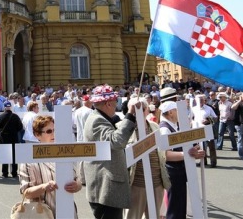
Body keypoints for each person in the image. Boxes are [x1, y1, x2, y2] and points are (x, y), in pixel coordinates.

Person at [83, 84, 137, 219]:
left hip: (107, 188)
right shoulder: (97, 120)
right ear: (107, 104)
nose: (116, 106)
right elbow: (117, 141)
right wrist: (130, 114)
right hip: (105, 189)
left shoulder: (99, 117)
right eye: (115, 103)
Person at [18, 115, 82, 218]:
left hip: (68, 211)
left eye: (55, 130)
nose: (54, 134)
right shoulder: (28, 160)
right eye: (49, 131)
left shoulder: (67, 153)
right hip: (42, 213)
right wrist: (44, 187)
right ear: (37, 135)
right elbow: (26, 192)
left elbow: (78, 181)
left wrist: (77, 185)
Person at [124, 98, 170, 219]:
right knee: (133, 216)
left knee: (154, 216)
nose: (138, 112)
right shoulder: (123, 128)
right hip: (136, 183)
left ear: (147, 111)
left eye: (142, 109)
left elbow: (163, 151)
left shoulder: (154, 126)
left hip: (157, 182)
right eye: (134, 109)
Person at [158, 100, 205, 219]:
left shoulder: (176, 125)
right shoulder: (164, 129)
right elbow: (165, 155)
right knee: (174, 207)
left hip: (179, 169)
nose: (180, 113)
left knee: (180, 205)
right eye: (177, 110)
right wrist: (187, 154)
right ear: (170, 113)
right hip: (172, 171)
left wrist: (195, 148)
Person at [0, 100, 23, 178]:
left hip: (4, 138)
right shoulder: (15, 116)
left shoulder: (0, 117)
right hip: (14, 137)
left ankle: (5, 173)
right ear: (10, 107)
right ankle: (14, 172)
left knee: (5, 156)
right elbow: (20, 127)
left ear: (4, 107)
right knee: (14, 156)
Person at [191, 94, 218, 167]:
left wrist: (208, 120)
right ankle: (203, 161)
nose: (200, 101)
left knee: (211, 146)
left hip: (207, 128)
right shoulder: (193, 109)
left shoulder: (209, 108)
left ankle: (213, 162)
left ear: (204, 100)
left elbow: (215, 118)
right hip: (198, 129)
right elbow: (190, 118)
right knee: (201, 146)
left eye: (202, 100)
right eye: (199, 100)